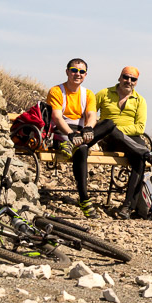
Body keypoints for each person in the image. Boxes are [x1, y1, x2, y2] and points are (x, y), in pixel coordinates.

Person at [46, 58, 116, 219]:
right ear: (67, 72)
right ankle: (84, 199)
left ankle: (74, 144)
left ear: (85, 75)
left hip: (81, 132)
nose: (78, 74)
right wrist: (70, 134)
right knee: (83, 149)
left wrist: (88, 129)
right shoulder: (56, 91)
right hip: (62, 132)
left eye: (81, 71)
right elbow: (57, 117)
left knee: (109, 124)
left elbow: (92, 115)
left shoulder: (88, 94)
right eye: (74, 70)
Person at [95, 66, 152, 219]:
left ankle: (127, 207)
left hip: (130, 139)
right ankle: (146, 153)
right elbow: (90, 114)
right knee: (110, 127)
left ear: (136, 82)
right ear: (119, 77)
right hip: (107, 138)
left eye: (133, 79)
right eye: (126, 77)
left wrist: (118, 130)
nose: (129, 81)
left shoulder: (140, 101)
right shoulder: (104, 93)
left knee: (139, 161)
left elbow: (139, 127)